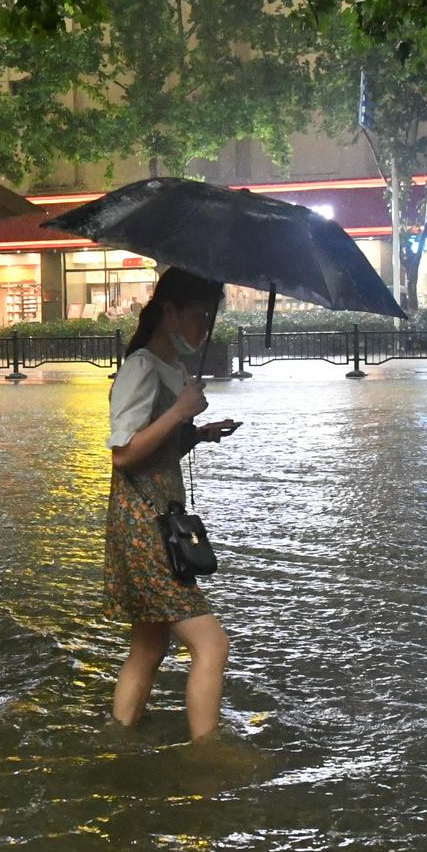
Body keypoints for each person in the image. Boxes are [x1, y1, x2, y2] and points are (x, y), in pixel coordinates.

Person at [105, 269, 241, 741]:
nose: (205, 326)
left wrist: (195, 434)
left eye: (209, 315)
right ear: (169, 312)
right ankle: (206, 754)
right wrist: (181, 413)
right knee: (212, 645)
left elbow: (154, 453)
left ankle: (119, 737)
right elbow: (124, 454)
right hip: (143, 524)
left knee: (148, 646)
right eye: (199, 314)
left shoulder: (170, 369)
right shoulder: (140, 367)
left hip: (159, 518)